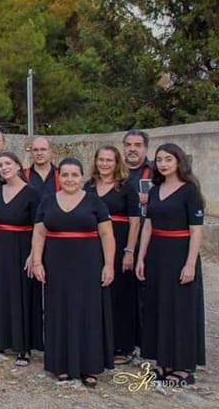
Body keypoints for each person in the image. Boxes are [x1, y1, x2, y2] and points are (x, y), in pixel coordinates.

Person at [31, 157, 115, 388]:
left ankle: (89, 366)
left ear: (81, 177)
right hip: (56, 266)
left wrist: (109, 264)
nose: (70, 179)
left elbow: (107, 234)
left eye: (74, 175)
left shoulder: (94, 201)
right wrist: (37, 262)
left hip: (88, 266)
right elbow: (39, 233)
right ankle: (61, 364)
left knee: (88, 312)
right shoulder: (48, 201)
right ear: (59, 177)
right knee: (58, 311)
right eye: (65, 175)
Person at [136, 143, 205, 385]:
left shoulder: (190, 191)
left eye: (168, 159)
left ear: (178, 162)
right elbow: (148, 225)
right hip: (157, 254)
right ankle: (163, 361)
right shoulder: (155, 190)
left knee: (181, 310)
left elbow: (196, 230)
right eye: (159, 160)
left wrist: (190, 264)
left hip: (180, 254)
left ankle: (183, 366)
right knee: (158, 306)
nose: (163, 164)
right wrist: (141, 257)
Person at [0, 151, 42, 365]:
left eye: (8, 163)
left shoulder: (32, 193)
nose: (4, 168)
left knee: (22, 296)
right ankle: (1, 340)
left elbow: (39, 227)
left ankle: (23, 347)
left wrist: (34, 255)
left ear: (18, 166)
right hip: (0, 247)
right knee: (1, 294)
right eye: (0, 165)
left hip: (23, 247)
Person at [86, 145, 140, 365]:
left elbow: (135, 222)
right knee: (97, 295)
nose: (104, 164)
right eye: (101, 159)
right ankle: (99, 343)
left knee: (120, 296)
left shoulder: (126, 188)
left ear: (117, 163)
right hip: (93, 248)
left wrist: (129, 251)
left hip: (120, 246)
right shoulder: (88, 187)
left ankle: (123, 346)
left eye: (109, 160)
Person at [123, 130, 154, 218]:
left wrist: (150, 198)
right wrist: (135, 198)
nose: (132, 149)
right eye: (128, 145)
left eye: (137, 145)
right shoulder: (113, 171)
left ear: (146, 149)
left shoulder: (157, 171)